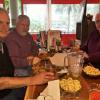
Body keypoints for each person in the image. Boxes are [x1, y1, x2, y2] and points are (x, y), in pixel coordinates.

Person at [0, 7, 54, 100]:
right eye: (0, 23)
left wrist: (31, 57)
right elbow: (14, 63)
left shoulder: (3, 44)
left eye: (7, 23)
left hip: (11, 84)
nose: (5, 27)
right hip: (5, 92)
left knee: (45, 87)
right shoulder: (11, 39)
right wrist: (29, 63)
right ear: (16, 24)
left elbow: (35, 47)